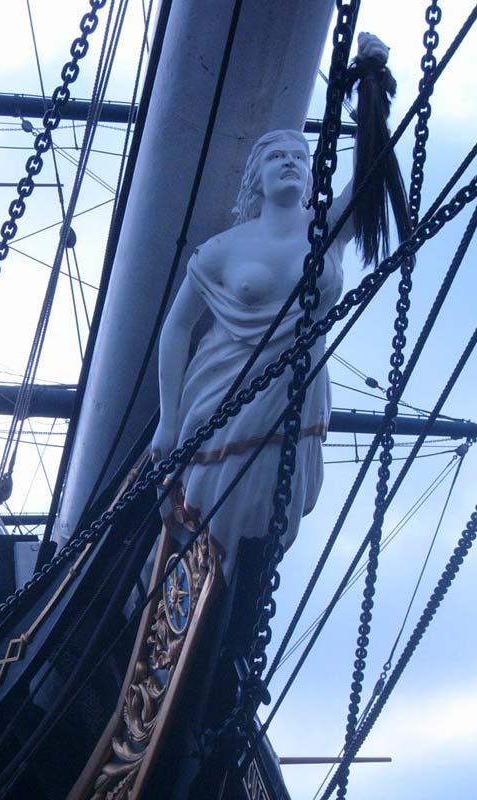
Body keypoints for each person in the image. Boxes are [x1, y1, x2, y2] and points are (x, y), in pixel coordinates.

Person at [151, 34, 391, 582]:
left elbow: (373, 177)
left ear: (310, 176)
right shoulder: (223, 250)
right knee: (218, 516)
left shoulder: (323, 234)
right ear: (255, 177)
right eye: (276, 157)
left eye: (298, 158)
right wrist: (168, 421)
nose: (289, 164)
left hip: (299, 399)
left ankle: (228, 604)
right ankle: (205, 597)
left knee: (269, 521)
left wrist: (373, 83)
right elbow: (178, 327)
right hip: (225, 393)